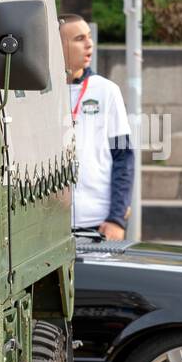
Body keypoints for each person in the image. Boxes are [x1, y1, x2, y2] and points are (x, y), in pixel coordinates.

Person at [59, 14, 134, 241]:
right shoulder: (35, 94)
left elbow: (124, 157)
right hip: (48, 224)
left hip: (98, 225)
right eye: (79, 39)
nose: (89, 44)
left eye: (89, 37)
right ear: (57, 45)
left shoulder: (106, 90)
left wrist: (116, 219)